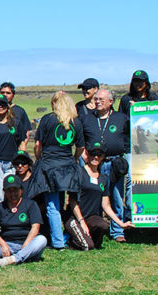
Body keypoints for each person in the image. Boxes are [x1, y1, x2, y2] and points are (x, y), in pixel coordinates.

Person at [27, 91, 83, 249]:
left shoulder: (47, 119)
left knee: (52, 205)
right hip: (67, 165)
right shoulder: (76, 122)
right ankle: (62, 236)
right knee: (63, 200)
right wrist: (74, 158)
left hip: (49, 166)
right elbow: (81, 146)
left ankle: (58, 241)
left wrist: (39, 158)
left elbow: (38, 145)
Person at [80, 89, 130, 241]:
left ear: (111, 101)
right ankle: (95, 228)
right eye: (96, 99)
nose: (97, 101)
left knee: (115, 196)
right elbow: (80, 140)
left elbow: (128, 138)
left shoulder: (121, 118)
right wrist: (85, 158)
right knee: (94, 196)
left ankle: (117, 231)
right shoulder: (87, 119)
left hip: (114, 162)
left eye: (101, 99)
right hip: (94, 163)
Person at [66, 144, 132, 248]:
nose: (96, 157)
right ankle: (70, 239)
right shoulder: (79, 173)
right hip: (75, 217)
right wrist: (81, 221)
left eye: (99, 154)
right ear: (87, 154)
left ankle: (85, 236)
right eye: (93, 153)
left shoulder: (104, 178)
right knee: (88, 246)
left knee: (104, 226)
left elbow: (106, 206)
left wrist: (121, 224)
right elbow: (72, 201)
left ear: (103, 157)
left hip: (92, 217)